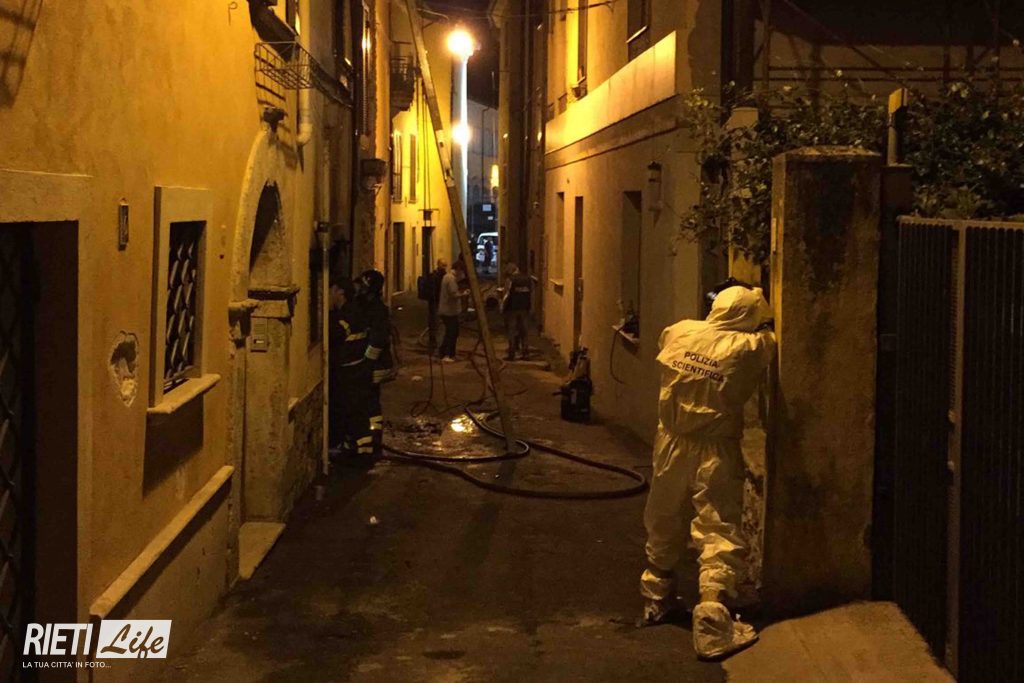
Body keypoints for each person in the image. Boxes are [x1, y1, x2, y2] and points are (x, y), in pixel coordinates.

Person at [640, 284, 776, 661]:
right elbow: (768, 336)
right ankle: (713, 618)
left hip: (671, 441)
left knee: (663, 515)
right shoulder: (749, 347)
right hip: (715, 448)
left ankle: (656, 597)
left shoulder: (680, 331)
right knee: (717, 526)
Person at [328, 277, 373, 458]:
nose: (328, 294)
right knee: (356, 410)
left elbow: (336, 333)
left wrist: (328, 315)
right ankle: (360, 449)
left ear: (340, 291)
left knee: (351, 410)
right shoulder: (354, 310)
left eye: (331, 290)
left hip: (350, 371)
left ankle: (357, 452)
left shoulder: (348, 313)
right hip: (356, 368)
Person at [357, 269, 394, 453]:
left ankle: (372, 442)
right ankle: (372, 440)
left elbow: (378, 340)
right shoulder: (367, 305)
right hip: (373, 364)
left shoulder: (376, 310)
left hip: (374, 366)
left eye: (363, 286)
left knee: (369, 402)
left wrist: (366, 362)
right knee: (370, 402)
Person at [438, 258, 468, 362]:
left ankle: (450, 353)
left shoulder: (448, 277)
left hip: (448, 310)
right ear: (458, 269)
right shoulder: (450, 279)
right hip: (448, 311)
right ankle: (446, 354)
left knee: (452, 332)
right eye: (462, 271)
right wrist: (463, 294)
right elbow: (453, 294)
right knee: (451, 333)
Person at [501, 263, 532, 360]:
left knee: (512, 331)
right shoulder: (527, 279)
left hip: (512, 308)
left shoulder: (510, 280)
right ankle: (525, 353)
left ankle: (512, 353)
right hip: (524, 308)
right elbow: (531, 293)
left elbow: (506, 295)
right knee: (524, 331)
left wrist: (502, 307)